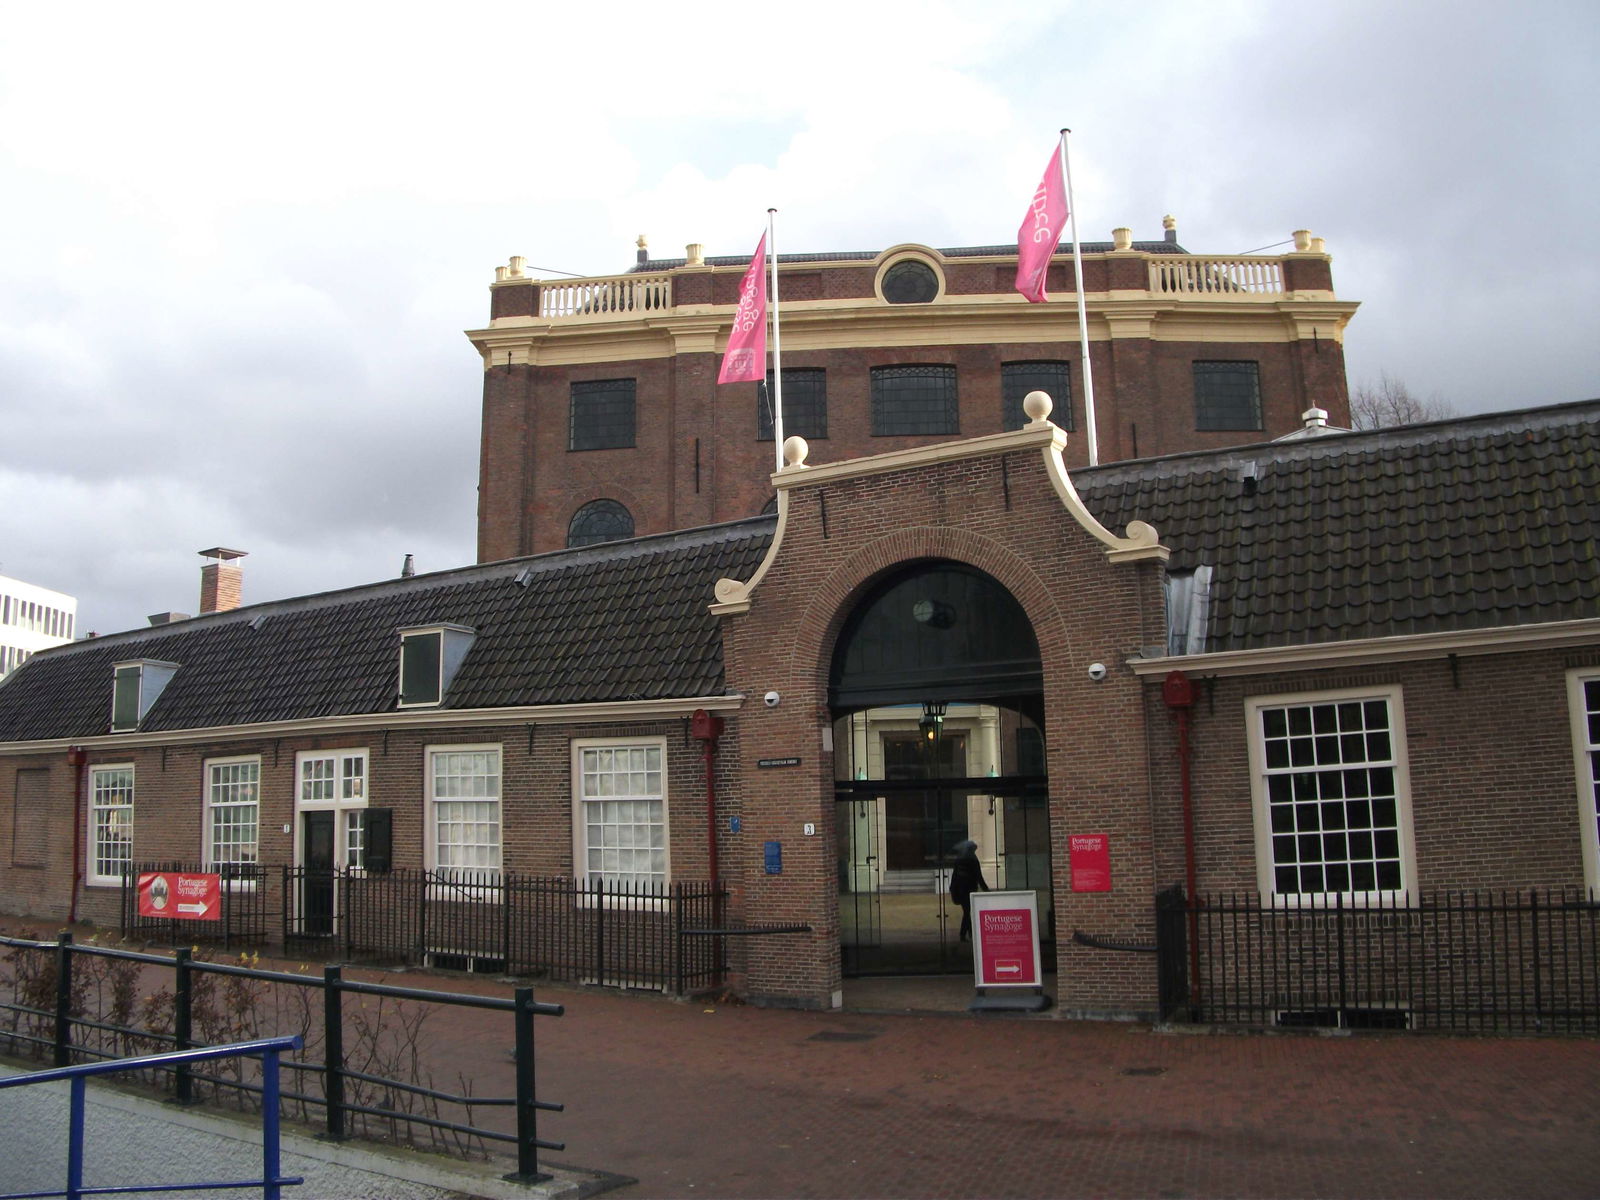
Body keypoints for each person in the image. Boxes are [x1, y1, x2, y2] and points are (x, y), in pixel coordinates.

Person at [949, 839, 988, 941]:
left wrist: (952, 888)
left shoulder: (958, 860)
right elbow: (978, 876)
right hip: (970, 889)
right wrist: (986, 889)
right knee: (967, 912)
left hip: (960, 889)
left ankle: (970, 933)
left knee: (967, 911)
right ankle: (964, 934)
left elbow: (954, 876)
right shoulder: (973, 860)